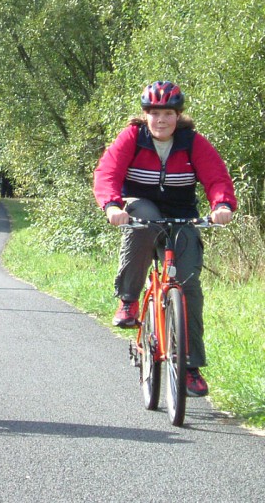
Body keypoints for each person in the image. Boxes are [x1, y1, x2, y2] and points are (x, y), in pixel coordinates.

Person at [93, 80, 236, 397]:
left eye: (168, 113)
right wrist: (112, 205)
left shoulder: (192, 143)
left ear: (178, 116)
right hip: (140, 209)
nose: (161, 120)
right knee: (145, 219)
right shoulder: (133, 137)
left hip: (182, 216)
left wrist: (222, 205)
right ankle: (129, 301)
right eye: (155, 113)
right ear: (145, 115)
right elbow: (108, 173)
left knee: (188, 285)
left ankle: (190, 368)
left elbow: (216, 178)